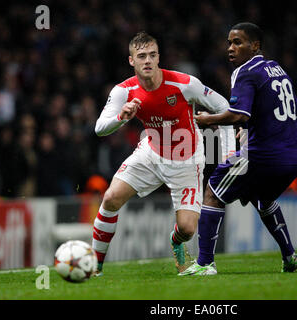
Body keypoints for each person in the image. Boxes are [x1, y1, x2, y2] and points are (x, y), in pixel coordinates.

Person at [92, 31, 235, 275]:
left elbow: (223, 106)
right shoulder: (123, 91)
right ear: (131, 61)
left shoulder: (184, 83)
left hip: (187, 160)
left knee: (187, 229)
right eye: (141, 56)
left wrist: (229, 150)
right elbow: (99, 129)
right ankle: (94, 267)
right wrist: (121, 117)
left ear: (159, 57)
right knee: (110, 198)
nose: (147, 60)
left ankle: (176, 240)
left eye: (152, 55)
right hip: (151, 151)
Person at [180, 22, 297, 275]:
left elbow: (238, 115)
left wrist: (207, 119)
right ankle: (290, 257)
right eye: (229, 42)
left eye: (238, 42)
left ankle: (205, 263)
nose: (231, 48)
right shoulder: (277, 69)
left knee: (213, 191)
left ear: (255, 46)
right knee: (265, 198)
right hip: (294, 156)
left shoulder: (244, 71)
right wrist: (253, 129)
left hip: (263, 155)